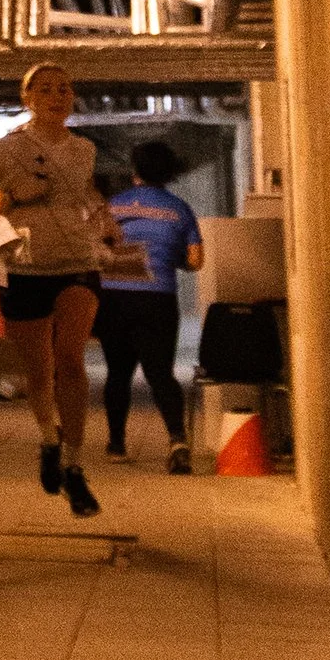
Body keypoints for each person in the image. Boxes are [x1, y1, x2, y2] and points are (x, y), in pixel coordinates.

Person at [0, 60, 123, 519]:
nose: (57, 96)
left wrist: (104, 219)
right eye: (46, 89)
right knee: (38, 367)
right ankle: (48, 440)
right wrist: (14, 196)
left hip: (77, 261)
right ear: (28, 98)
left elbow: (85, 195)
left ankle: (77, 466)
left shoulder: (84, 150)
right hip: (28, 264)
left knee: (70, 357)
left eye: (65, 88)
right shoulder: (5, 149)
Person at [99, 137, 205, 471]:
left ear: (135, 169)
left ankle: (116, 444)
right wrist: (171, 258)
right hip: (157, 297)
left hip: (114, 296)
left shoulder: (112, 206)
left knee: (118, 372)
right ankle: (177, 440)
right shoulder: (179, 209)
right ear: (170, 172)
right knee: (160, 372)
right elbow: (195, 260)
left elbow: (95, 249)